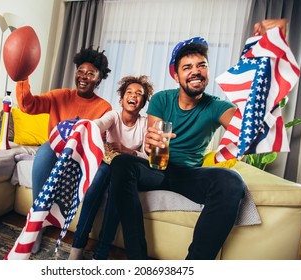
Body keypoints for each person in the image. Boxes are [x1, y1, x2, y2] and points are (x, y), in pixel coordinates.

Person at [108, 19, 288, 259]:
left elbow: (250, 126)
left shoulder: (216, 106)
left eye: (201, 65)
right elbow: (153, 142)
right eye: (187, 67)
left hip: (188, 174)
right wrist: (151, 143)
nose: (195, 71)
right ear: (176, 75)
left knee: (232, 181)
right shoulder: (162, 99)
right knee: (121, 164)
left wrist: (271, 54)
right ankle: (137, 260)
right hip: (157, 168)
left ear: (207, 71)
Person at [16, 46, 113, 253]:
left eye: (91, 73)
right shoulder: (60, 96)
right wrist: (22, 76)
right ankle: (37, 224)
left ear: (99, 78)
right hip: (54, 151)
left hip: (78, 158)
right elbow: (27, 105)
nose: (84, 76)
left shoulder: (104, 107)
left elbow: (98, 142)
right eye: (80, 71)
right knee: (45, 150)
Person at [68, 75, 154, 260]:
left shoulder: (145, 123)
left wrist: (128, 151)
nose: (134, 96)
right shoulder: (113, 115)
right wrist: (87, 126)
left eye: (139, 94)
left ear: (143, 102)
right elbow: (99, 124)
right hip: (107, 162)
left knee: (118, 190)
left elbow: (148, 157)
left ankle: (101, 254)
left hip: (126, 168)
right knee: (95, 186)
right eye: (129, 92)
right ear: (122, 99)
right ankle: (77, 247)